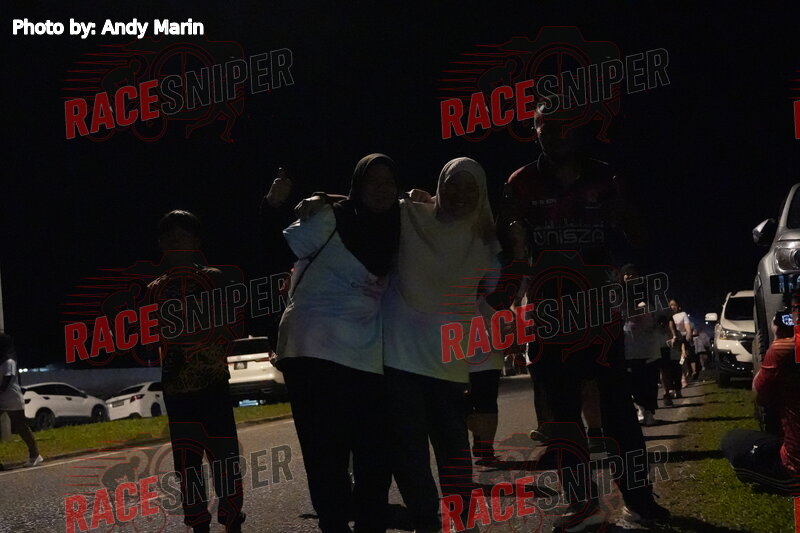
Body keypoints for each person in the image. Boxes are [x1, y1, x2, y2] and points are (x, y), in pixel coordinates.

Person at [494, 97, 670, 530]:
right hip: (550, 318)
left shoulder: (606, 176)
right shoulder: (520, 183)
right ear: (534, 131)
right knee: (563, 420)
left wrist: (624, 209)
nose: (556, 133)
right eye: (546, 126)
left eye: (565, 125)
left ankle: (640, 502)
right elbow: (511, 253)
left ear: (578, 129)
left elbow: (639, 236)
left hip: (600, 315)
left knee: (619, 414)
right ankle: (582, 503)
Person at [274, 154, 399, 533]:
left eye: (388, 181)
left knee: (375, 449)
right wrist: (293, 203)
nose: (381, 188)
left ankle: (369, 520)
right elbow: (280, 243)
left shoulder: (398, 224)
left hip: (363, 353)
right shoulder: (331, 218)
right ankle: (334, 523)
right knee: (325, 452)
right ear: (357, 185)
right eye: (372, 180)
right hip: (312, 351)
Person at [382, 157, 499, 533]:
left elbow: (494, 299)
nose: (460, 193)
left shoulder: (484, 238)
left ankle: (462, 521)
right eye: (452, 183)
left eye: (471, 187)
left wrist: (485, 390)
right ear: (439, 184)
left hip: (449, 363)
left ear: (482, 194)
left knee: (454, 449)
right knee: (409, 450)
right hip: (399, 358)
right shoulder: (410, 215)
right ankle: (425, 521)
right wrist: (320, 200)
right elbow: (364, 204)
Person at [147, 210, 246, 533]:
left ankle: (232, 517)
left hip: (213, 382)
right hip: (176, 389)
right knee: (187, 463)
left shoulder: (215, 278)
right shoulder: (154, 289)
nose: (175, 242)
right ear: (161, 245)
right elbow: (148, 336)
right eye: (169, 237)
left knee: (225, 458)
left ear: (196, 242)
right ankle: (198, 521)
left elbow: (230, 322)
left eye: (183, 236)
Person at [721, 310, 800, 494]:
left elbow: (759, 397)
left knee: (732, 440)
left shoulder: (784, 348)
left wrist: (776, 339)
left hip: (794, 471)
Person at [622, 265, 662, 427]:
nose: (629, 276)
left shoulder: (648, 296)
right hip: (630, 350)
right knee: (633, 384)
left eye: (632, 274)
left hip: (648, 349)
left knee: (650, 382)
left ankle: (649, 413)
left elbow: (657, 318)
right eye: (626, 274)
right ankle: (641, 409)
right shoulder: (618, 299)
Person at [0, 334, 42, 468]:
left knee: (20, 427)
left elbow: (6, 382)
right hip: (1, 398)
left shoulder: (9, 361)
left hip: (12, 398)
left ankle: (35, 455)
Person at [656, 315, 683, 407]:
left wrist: (674, 335)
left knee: (665, 371)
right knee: (654, 372)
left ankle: (666, 393)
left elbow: (670, 320)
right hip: (651, 344)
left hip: (663, 345)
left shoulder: (664, 312)